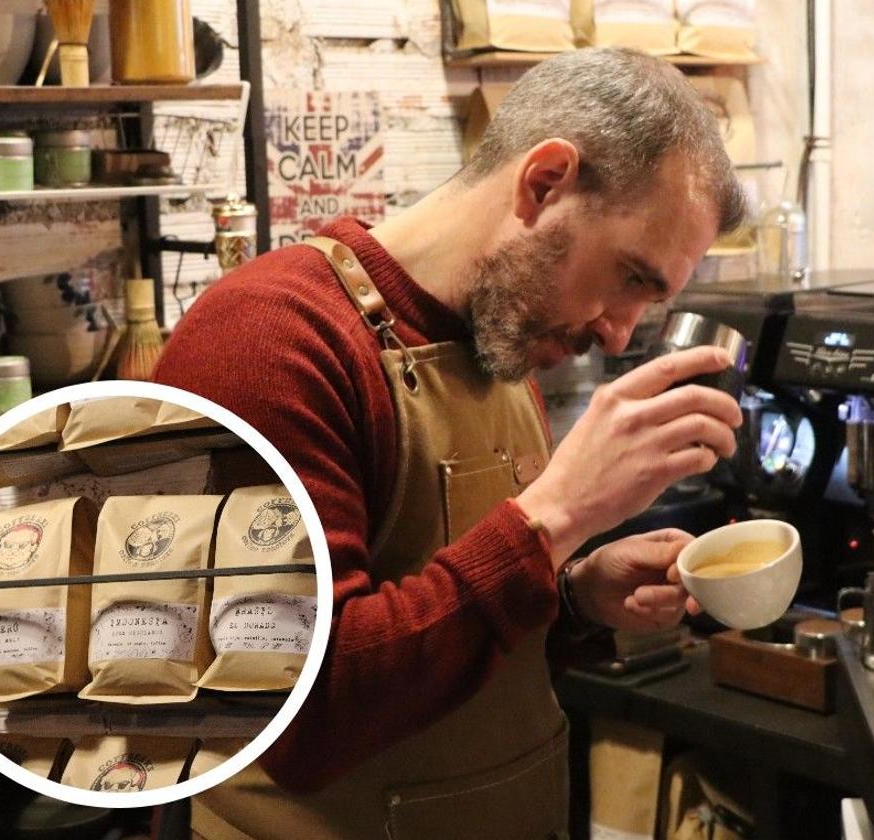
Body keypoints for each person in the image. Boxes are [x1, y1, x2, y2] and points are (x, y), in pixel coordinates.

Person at [155, 46, 747, 840]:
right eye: (630, 276)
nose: (618, 331)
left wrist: (571, 598)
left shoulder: (500, 340)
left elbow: (449, 643)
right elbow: (300, 712)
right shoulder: (268, 341)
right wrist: (552, 520)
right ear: (544, 184)